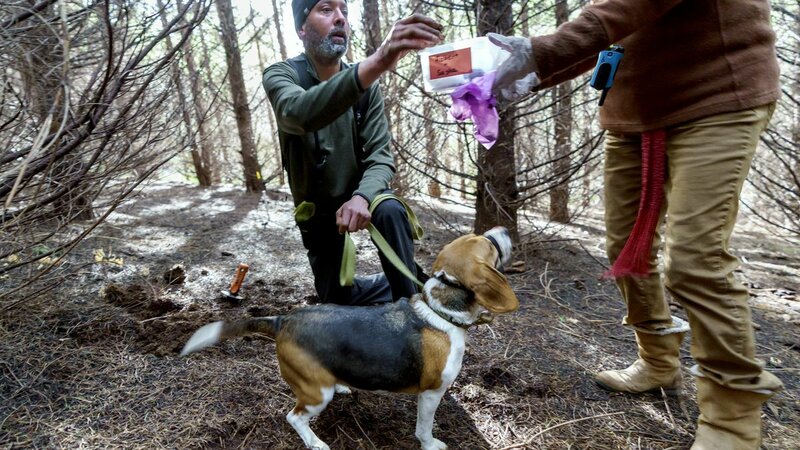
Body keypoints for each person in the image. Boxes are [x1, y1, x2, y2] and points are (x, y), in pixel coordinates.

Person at [488, 1, 783, 448]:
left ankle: (732, 419)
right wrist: (525, 75)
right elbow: (618, 27)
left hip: (715, 98)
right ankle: (659, 361)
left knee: (695, 262)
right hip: (634, 114)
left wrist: (540, 52)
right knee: (627, 250)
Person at [262, 0, 443, 306]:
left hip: (364, 196)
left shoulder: (367, 88)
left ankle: (410, 307)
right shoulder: (282, 74)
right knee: (336, 302)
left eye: (344, 11)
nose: (340, 19)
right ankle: (412, 282)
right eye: (326, 9)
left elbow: (380, 157)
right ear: (301, 28)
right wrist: (378, 61)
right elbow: (297, 113)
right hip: (319, 210)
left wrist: (362, 196)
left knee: (390, 210)